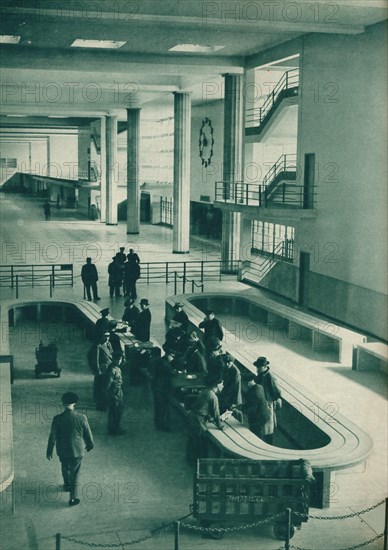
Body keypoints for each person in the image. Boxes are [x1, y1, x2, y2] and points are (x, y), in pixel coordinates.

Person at [46, 392, 94, 507]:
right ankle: (73, 498)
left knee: (64, 466)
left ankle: (66, 484)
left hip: (62, 450)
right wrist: (90, 444)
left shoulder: (57, 419)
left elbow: (52, 436)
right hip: (77, 451)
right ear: (75, 404)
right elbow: (88, 434)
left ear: (63, 404)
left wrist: (49, 451)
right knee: (75, 473)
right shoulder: (82, 418)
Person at [186, 374, 224, 465]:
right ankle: (198, 464)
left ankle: (190, 460)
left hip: (192, 416)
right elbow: (216, 413)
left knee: (192, 440)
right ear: (217, 385)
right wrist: (220, 426)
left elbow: (203, 406)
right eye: (222, 384)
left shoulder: (206, 391)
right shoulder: (213, 396)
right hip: (197, 420)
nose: (223, 386)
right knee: (200, 442)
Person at [254, 356, 282, 444]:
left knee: (268, 423)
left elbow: (277, 391)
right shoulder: (261, 374)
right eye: (257, 367)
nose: (257, 369)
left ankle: (269, 442)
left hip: (268, 402)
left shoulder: (270, 376)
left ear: (265, 367)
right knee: (264, 421)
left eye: (259, 367)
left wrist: (272, 400)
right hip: (262, 401)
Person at [151, 351, 175, 431]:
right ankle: (162, 425)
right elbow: (171, 373)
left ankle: (158, 423)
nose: (172, 358)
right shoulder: (165, 364)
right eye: (172, 356)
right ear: (168, 355)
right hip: (161, 389)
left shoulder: (161, 361)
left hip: (158, 387)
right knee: (163, 407)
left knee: (159, 407)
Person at [242, 373, 271, 439]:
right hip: (264, 415)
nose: (244, 386)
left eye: (244, 384)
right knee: (259, 432)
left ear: (248, 382)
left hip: (257, 418)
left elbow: (251, 408)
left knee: (256, 434)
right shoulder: (259, 386)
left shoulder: (253, 393)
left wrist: (242, 409)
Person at [93, 332, 113, 410]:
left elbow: (111, 354)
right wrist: (98, 370)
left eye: (108, 336)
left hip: (109, 368)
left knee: (107, 386)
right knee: (101, 387)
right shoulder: (98, 346)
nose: (107, 338)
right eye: (105, 336)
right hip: (102, 369)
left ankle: (106, 403)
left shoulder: (109, 344)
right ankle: (100, 405)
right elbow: (96, 360)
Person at [219, 353, 242, 420]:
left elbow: (235, 387)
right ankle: (221, 418)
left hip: (234, 393)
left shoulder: (236, 372)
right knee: (222, 404)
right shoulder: (226, 367)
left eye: (229, 363)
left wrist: (234, 401)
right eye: (226, 363)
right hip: (227, 389)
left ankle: (222, 419)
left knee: (230, 408)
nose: (227, 364)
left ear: (232, 362)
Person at [106, 353, 125, 435]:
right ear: (113, 359)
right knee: (114, 411)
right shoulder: (111, 370)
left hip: (119, 391)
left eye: (120, 359)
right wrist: (109, 394)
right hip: (114, 392)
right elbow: (108, 383)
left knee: (119, 410)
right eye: (117, 359)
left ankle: (116, 427)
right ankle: (112, 429)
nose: (119, 361)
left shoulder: (117, 368)